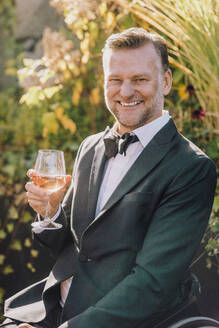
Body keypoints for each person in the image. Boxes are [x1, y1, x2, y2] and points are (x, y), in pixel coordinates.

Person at [2, 27, 217, 328]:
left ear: (166, 81)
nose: (125, 91)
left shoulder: (191, 168)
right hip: (51, 307)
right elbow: (75, 247)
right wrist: (50, 212)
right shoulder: (90, 146)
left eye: (140, 79)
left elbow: (152, 284)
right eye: (115, 80)